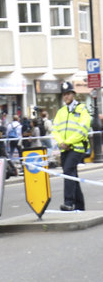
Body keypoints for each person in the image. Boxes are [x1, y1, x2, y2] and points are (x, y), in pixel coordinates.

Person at [52, 81, 91, 211]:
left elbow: (83, 129)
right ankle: (80, 206)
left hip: (77, 148)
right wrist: (61, 143)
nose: (66, 97)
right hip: (65, 148)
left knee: (68, 171)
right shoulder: (61, 112)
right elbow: (55, 129)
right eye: (64, 94)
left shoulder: (82, 109)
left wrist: (68, 142)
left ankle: (68, 203)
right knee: (72, 175)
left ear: (73, 94)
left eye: (68, 94)